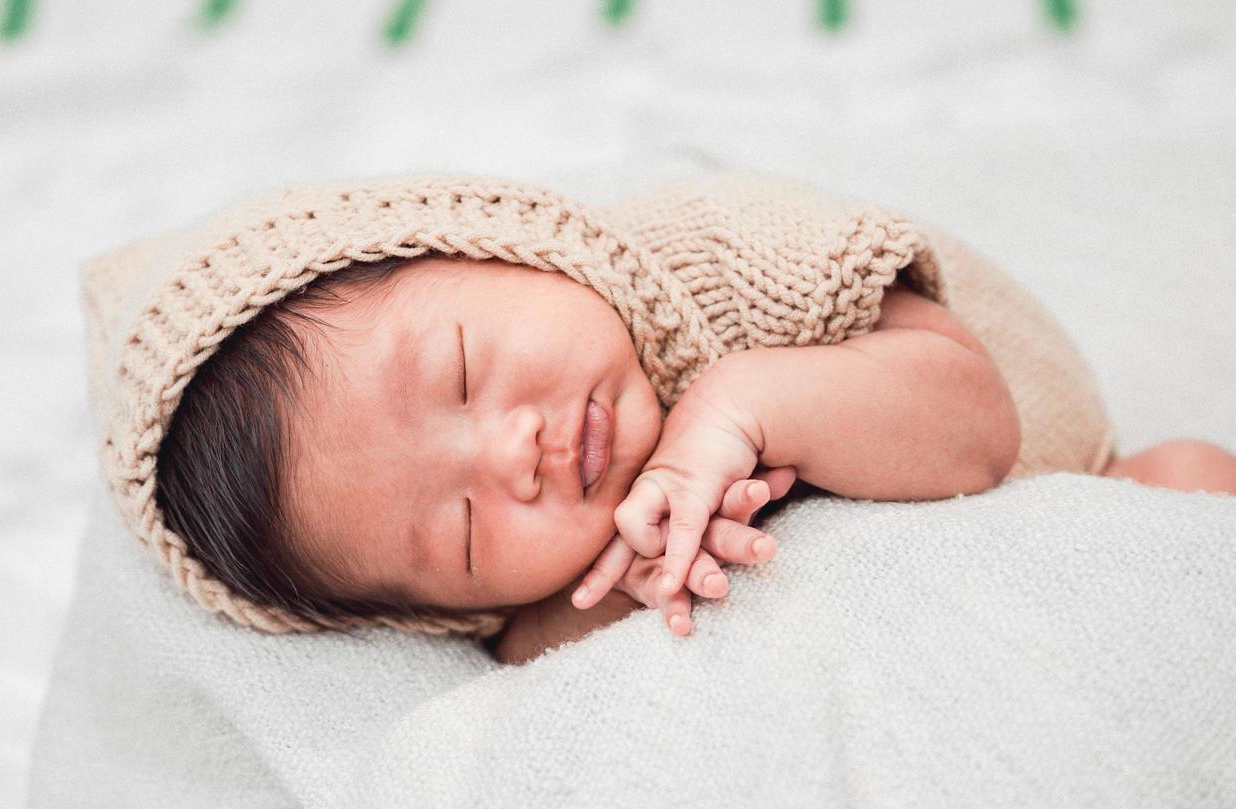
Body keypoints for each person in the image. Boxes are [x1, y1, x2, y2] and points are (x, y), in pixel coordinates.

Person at [154, 251, 1236, 666]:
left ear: (481, 246)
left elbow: (977, 429)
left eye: (463, 369)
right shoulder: (552, 586)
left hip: (1049, 495)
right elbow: (533, 658)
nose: (514, 455)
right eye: (469, 531)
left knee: (1189, 482)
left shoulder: (727, 271)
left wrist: (744, 405)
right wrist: (612, 593)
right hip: (940, 651)